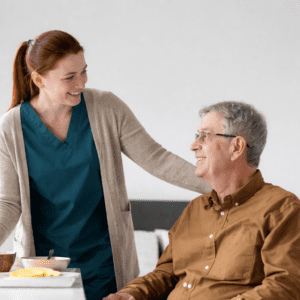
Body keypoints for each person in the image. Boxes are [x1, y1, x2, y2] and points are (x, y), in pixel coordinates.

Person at [0, 30, 211, 299]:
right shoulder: (12, 126)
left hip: (105, 263)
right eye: (70, 77)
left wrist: (218, 183)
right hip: (45, 269)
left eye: (84, 71)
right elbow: (8, 203)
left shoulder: (106, 108)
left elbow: (157, 159)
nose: (81, 82)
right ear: (39, 79)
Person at [104, 101, 300, 300]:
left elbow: (285, 286)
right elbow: (166, 273)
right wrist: (130, 294)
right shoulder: (195, 209)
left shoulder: (282, 209)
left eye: (204, 136)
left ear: (237, 147)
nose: (194, 145)